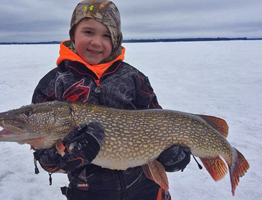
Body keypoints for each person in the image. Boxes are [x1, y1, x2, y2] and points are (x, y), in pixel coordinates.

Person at [32, 0, 191, 199]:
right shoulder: (54, 84)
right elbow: (45, 159)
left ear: (116, 40)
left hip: (146, 189)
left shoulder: (135, 79)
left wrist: (175, 158)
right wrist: (65, 155)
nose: (97, 42)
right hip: (88, 192)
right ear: (73, 34)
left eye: (106, 35)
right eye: (88, 32)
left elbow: (160, 122)